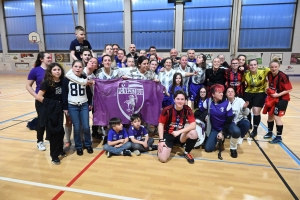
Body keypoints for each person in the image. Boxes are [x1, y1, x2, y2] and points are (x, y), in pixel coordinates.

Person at [36, 63, 66, 165]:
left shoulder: (62, 81)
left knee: (60, 131)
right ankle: (54, 156)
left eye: (59, 69)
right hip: (50, 110)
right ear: (50, 71)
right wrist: (52, 103)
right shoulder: (47, 83)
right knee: (54, 133)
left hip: (59, 110)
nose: (57, 71)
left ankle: (60, 150)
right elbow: (39, 97)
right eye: (54, 70)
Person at [157, 90, 198, 164]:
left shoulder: (187, 109)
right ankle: (165, 147)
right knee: (163, 159)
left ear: (185, 100)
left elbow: (193, 125)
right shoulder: (167, 110)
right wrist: (161, 140)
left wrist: (179, 131)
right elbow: (161, 125)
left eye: (182, 99)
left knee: (194, 133)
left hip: (180, 135)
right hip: (168, 134)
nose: (180, 101)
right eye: (178, 99)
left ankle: (186, 153)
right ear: (174, 99)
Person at [62, 60, 93, 156]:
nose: (78, 68)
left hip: (83, 104)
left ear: (83, 68)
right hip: (72, 105)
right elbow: (64, 93)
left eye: (80, 67)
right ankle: (78, 146)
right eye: (76, 66)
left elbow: (88, 92)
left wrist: (90, 102)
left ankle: (88, 144)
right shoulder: (67, 79)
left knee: (86, 127)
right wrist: (65, 107)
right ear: (72, 67)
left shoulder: (85, 78)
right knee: (77, 128)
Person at [202, 84, 239, 158]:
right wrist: (205, 117)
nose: (222, 94)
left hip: (227, 126)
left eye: (222, 92)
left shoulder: (226, 103)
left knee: (236, 131)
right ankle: (219, 140)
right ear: (213, 94)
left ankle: (233, 148)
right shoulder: (208, 102)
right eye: (219, 92)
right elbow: (200, 112)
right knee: (208, 149)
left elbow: (229, 120)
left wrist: (222, 132)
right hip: (215, 128)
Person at [26, 52, 52, 151]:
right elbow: (28, 86)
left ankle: (51, 139)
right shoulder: (35, 70)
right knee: (42, 121)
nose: (50, 59)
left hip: (52, 100)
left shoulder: (53, 69)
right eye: (48, 57)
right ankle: (40, 141)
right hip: (41, 101)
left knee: (52, 121)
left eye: (50, 58)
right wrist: (36, 96)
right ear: (41, 59)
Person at [263, 60, 292, 144]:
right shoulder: (269, 74)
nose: (273, 68)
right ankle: (269, 132)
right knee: (270, 116)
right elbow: (268, 82)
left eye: (275, 67)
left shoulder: (283, 76)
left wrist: (278, 95)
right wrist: (267, 88)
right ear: (269, 67)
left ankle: (279, 137)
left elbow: (289, 89)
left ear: (279, 67)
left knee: (277, 117)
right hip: (272, 98)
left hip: (282, 99)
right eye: (272, 67)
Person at [243, 59, 270, 137]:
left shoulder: (264, 70)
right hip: (248, 92)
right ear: (248, 66)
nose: (253, 66)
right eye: (251, 65)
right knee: (247, 110)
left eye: (255, 65)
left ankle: (255, 129)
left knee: (256, 111)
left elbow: (274, 71)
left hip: (260, 93)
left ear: (257, 65)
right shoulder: (246, 73)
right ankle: (249, 125)